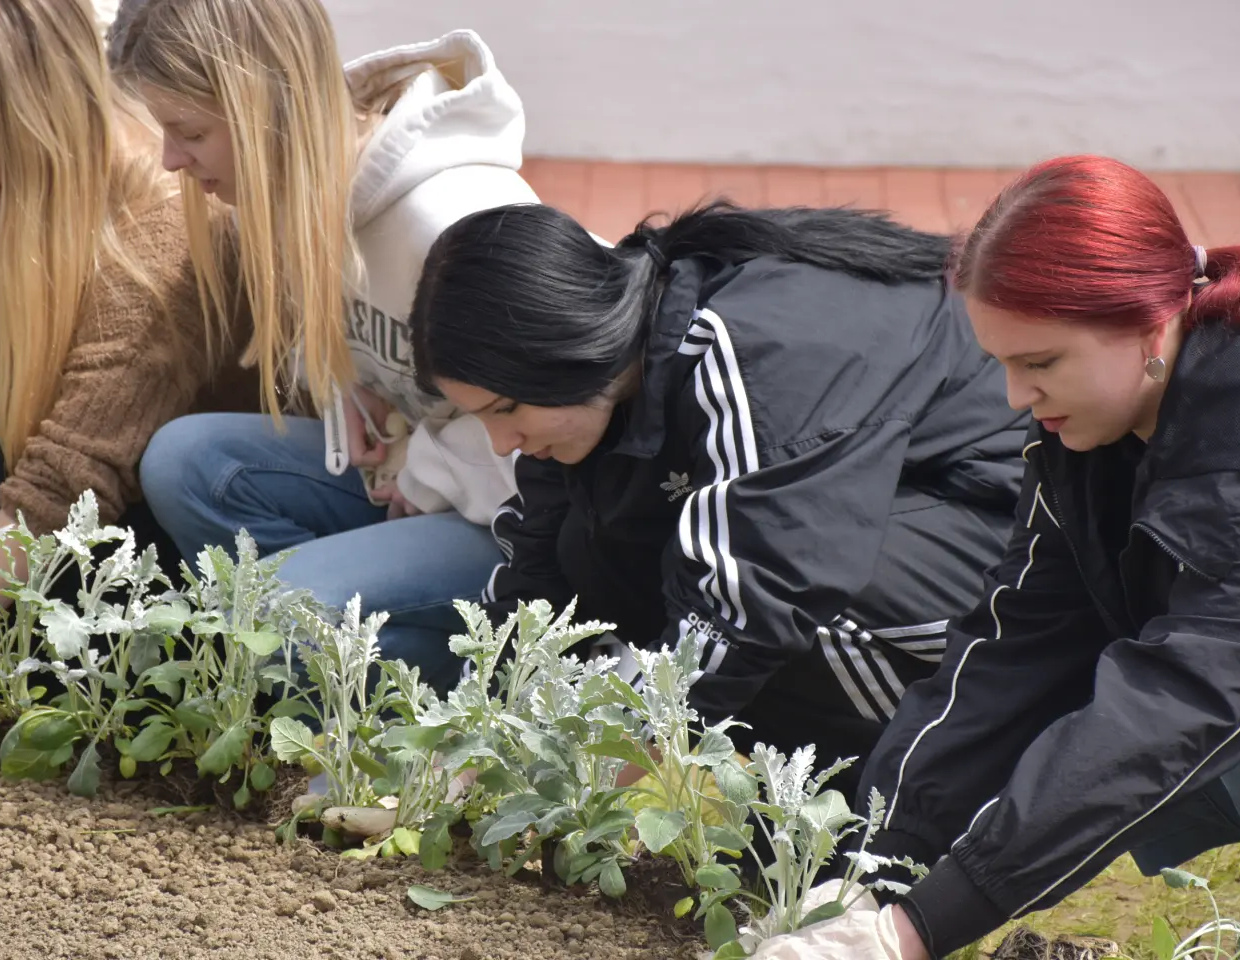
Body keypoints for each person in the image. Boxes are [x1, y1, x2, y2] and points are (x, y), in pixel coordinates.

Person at [823, 155, 1240, 960]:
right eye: (1004, 364)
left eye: (1041, 363)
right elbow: (1014, 644)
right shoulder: (1095, 434)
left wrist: (914, 933)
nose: (1017, 398)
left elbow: (1184, 699)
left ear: (1148, 324)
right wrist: (876, 869)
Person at [408, 200, 1029, 793]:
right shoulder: (612, 366)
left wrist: (577, 782)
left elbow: (768, 585)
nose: (500, 443)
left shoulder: (750, 349)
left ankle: (901, 803)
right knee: (593, 546)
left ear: (563, 349)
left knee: (779, 599)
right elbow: (535, 578)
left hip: (1009, 555)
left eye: (507, 408)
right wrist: (457, 749)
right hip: (882, 512)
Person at [115, 3, 535, 689]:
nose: (169, 159)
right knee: (188, 463)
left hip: (507, 521)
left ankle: (476, 689)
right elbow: (379, 351)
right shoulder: (297, 191)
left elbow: (551, 433)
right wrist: (357, 400)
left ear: (263, 108)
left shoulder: (451, 219)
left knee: (276, 614)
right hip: (425, 485)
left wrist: (421, 466)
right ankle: (327, 653)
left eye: (188, 131)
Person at [0, 0, 251, 624]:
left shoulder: (160, 233)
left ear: (53, 120)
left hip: (159, 532)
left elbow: (63, 489)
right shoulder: (28, 187)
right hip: (65, 465)